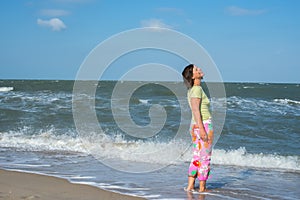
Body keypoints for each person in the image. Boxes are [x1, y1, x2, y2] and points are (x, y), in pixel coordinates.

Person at [182, 64, 214, 193]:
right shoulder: (197, 89)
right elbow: (196, 110)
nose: (200, 69)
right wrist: (202, 129)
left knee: (196, 156)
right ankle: (202, 188)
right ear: (193, 76)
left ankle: (190, 186)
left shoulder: (193, 90)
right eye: (196, 69)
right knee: (204, 157)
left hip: (195, 125)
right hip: (203, 124)